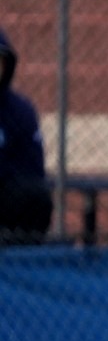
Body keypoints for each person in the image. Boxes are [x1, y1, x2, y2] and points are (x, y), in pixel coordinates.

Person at [0, 24, 53, 245]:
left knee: (36, 198)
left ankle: (20, 262)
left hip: (7, 196)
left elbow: (31, 168)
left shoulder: (20, 110)